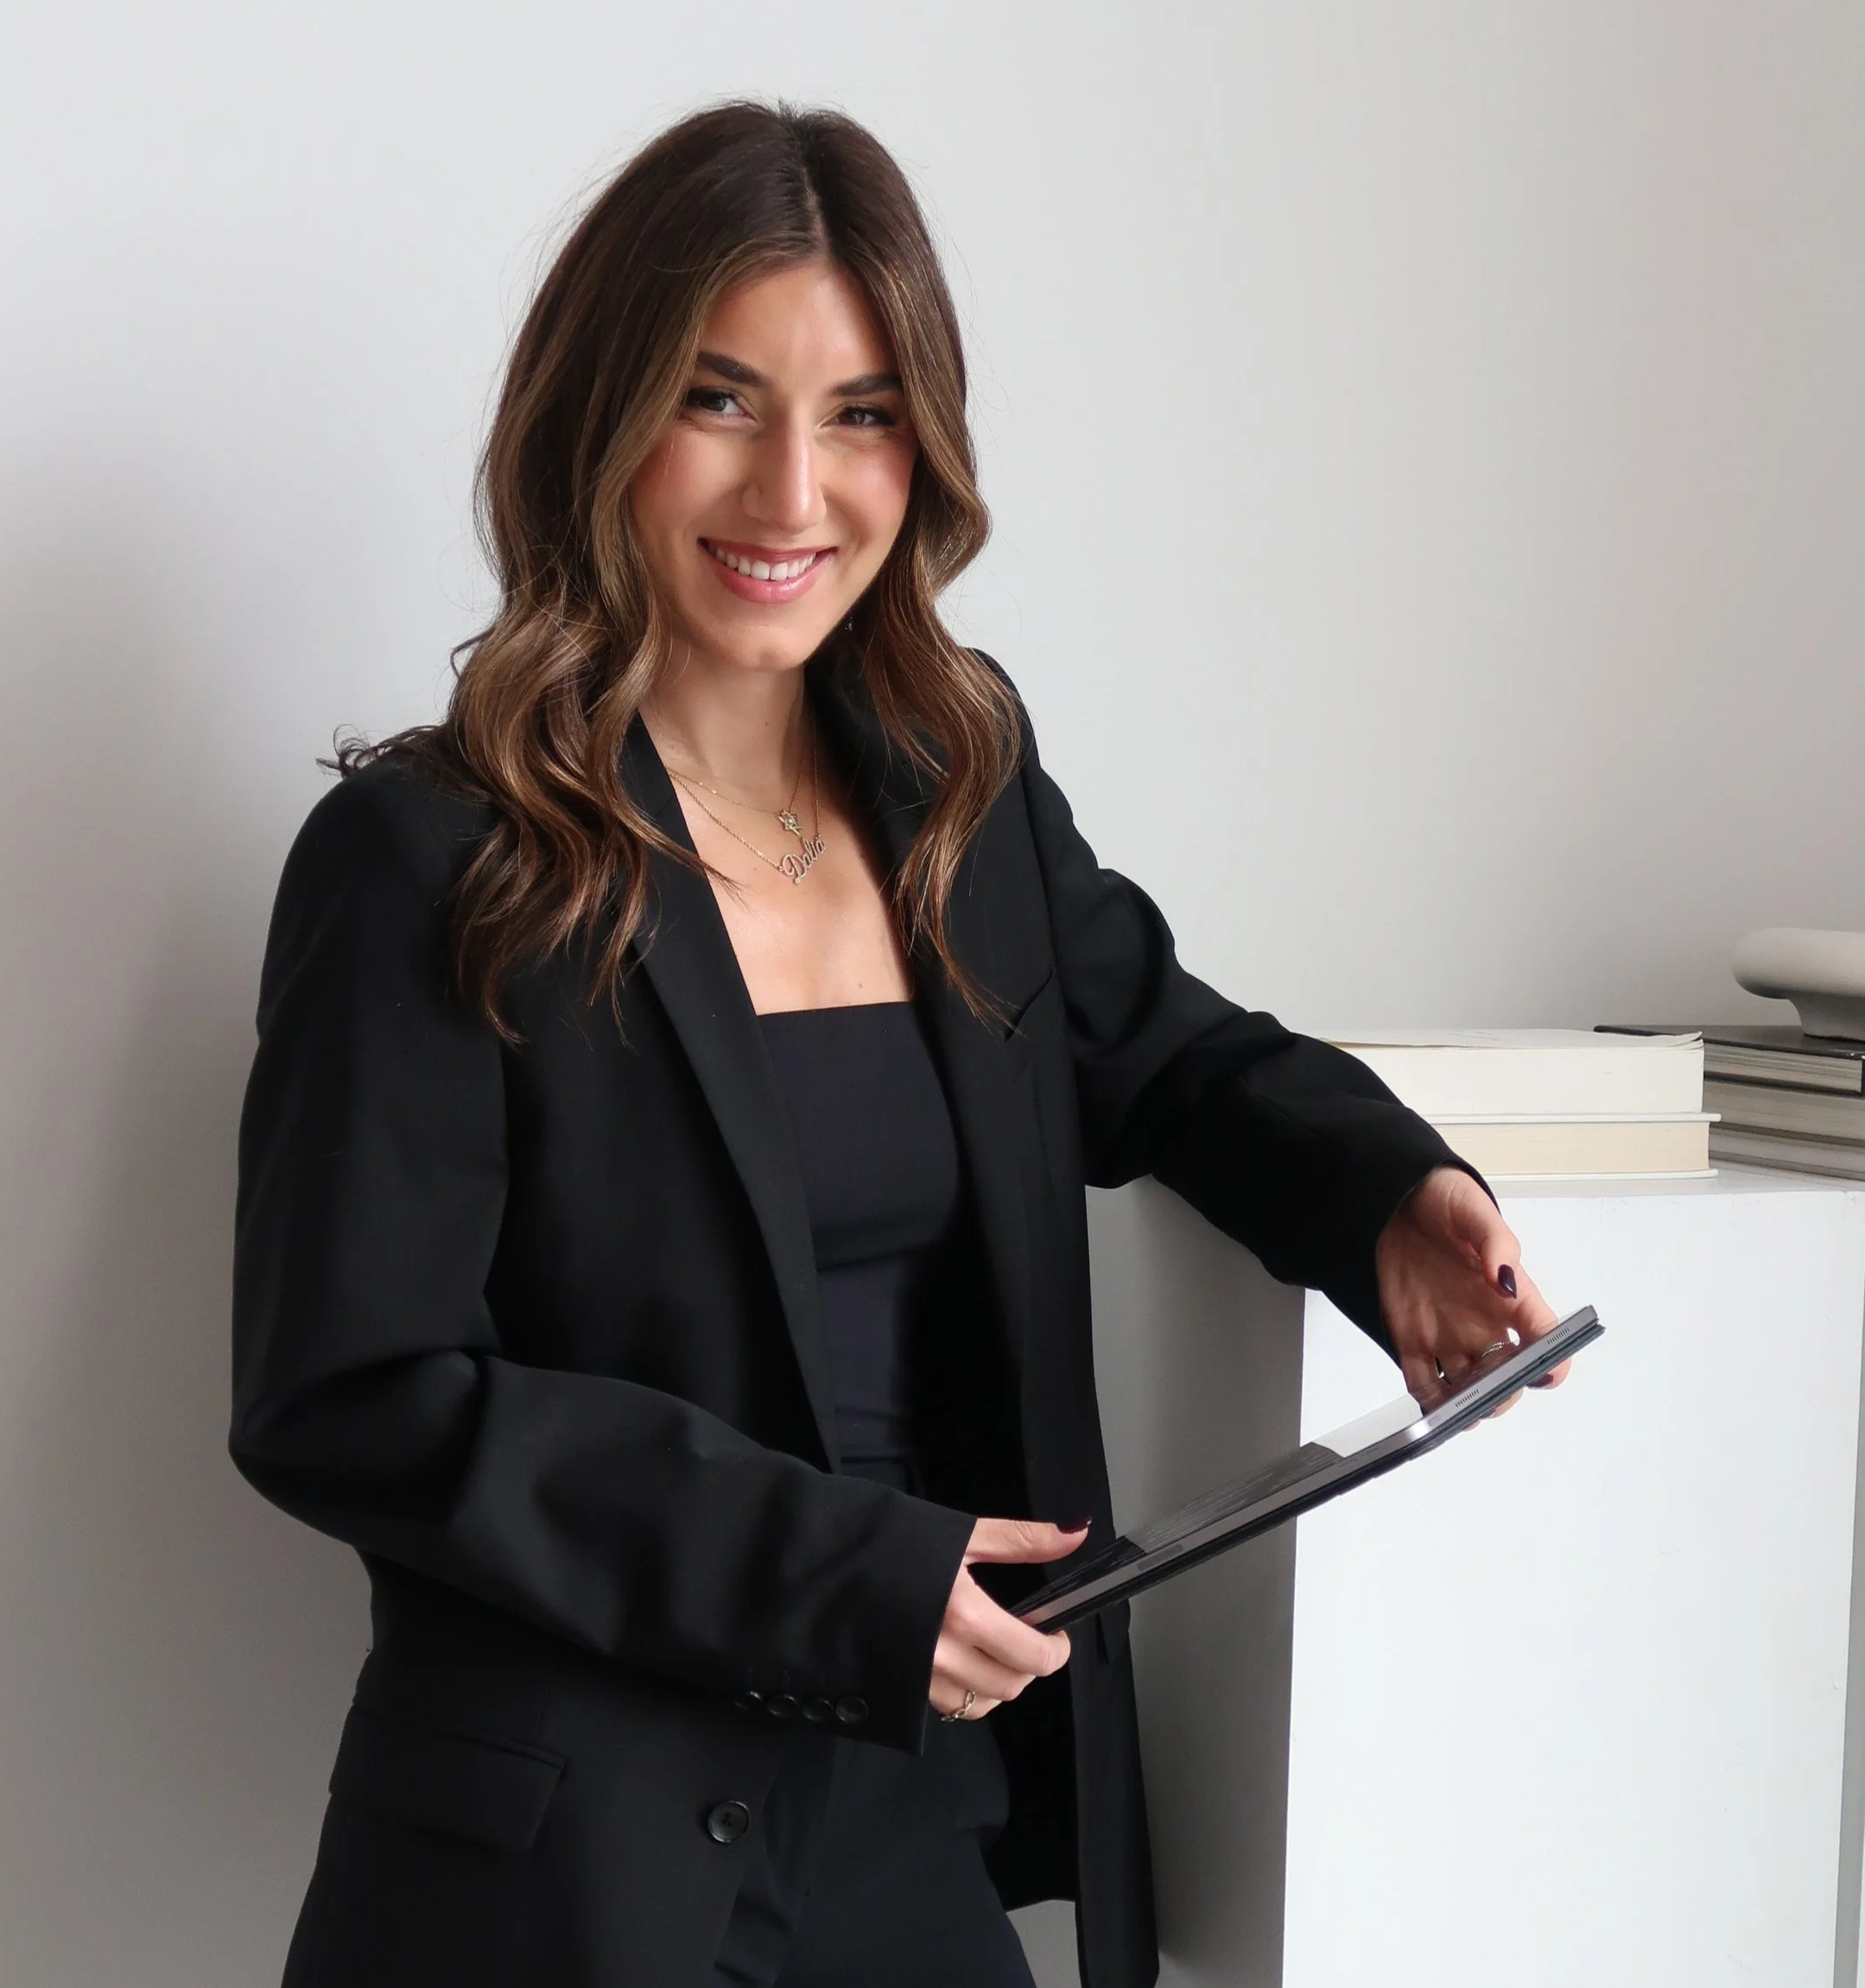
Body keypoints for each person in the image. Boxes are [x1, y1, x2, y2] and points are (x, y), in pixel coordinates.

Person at [230, 101, 1568, 1988]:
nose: (792, 491)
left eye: (858, 413)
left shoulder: (960, 783)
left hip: (911, 1821)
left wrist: (1386, 1196)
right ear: (598, 417)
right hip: (566, 1870)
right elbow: (350, 1390)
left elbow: (1160, 1052)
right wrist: (834, 1573)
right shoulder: (429, 859)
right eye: (719, 400)